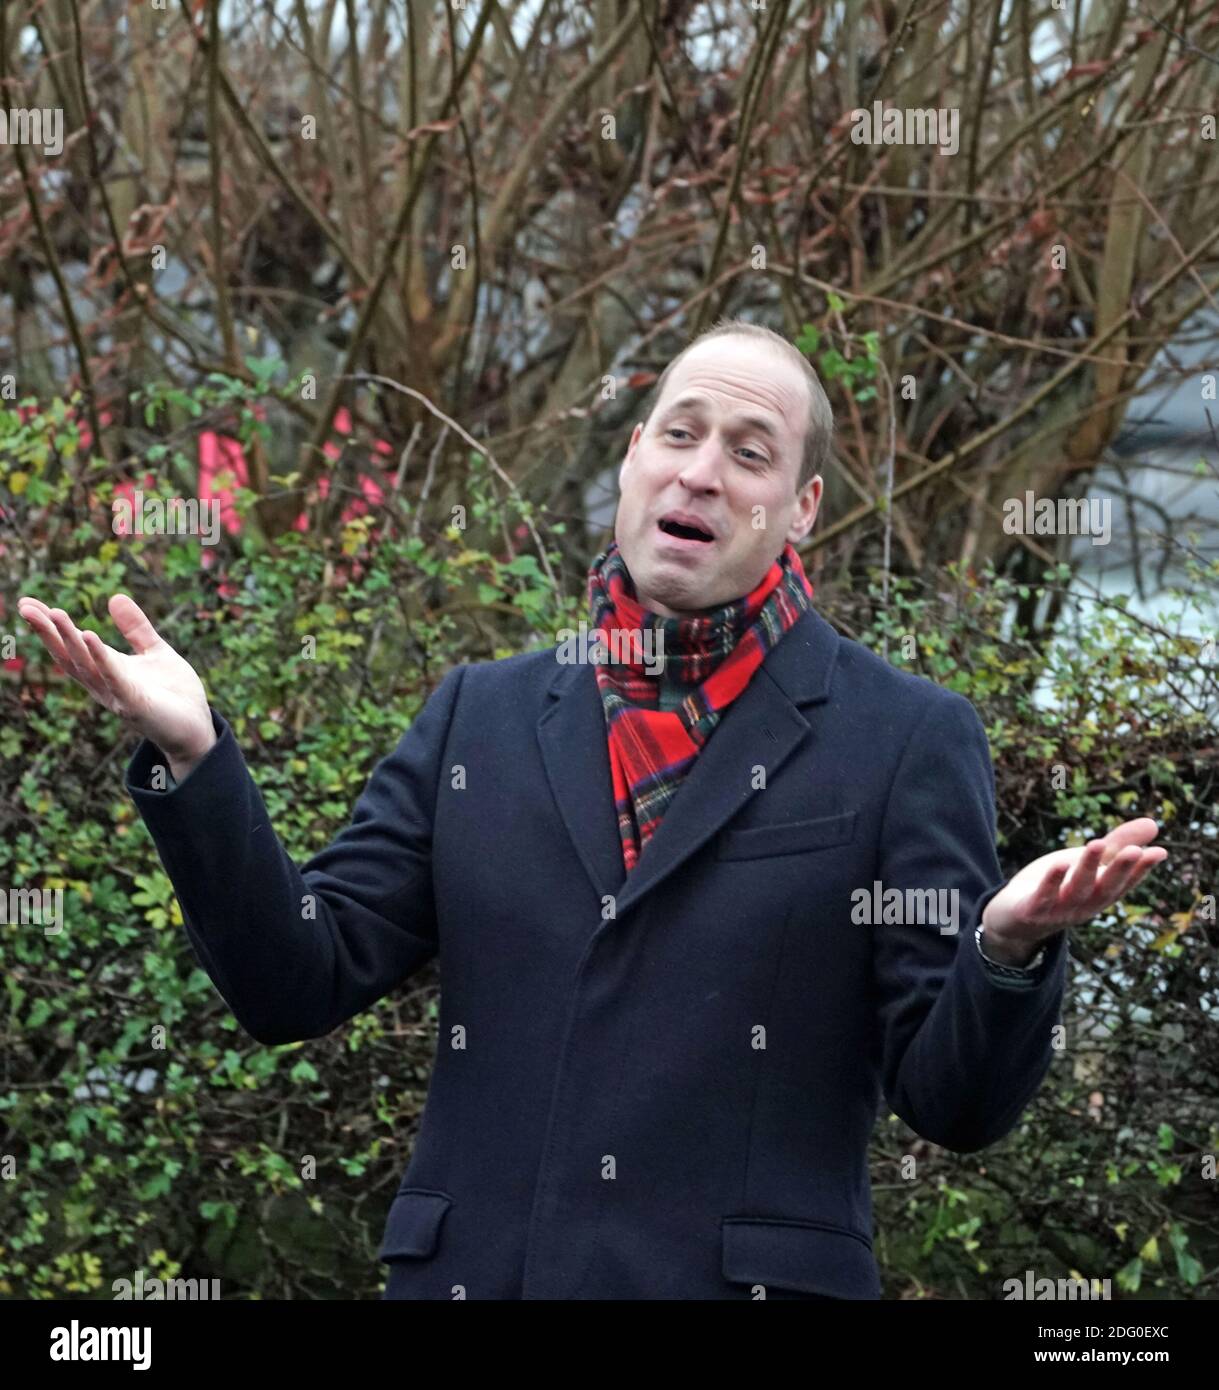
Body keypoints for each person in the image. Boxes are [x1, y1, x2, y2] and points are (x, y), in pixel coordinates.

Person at [17, 319, 1166, 1300]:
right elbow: (294, 978)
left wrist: (1006, 951)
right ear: (630, 459)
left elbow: (950, 1100)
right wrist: (198, 755)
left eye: (749, 452)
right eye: (679, 433)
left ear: (802, 507)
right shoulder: (481, 716)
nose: (701, 472)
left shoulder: (902, 738)